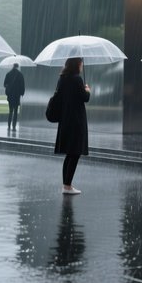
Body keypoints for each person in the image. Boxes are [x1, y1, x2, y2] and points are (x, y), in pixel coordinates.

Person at [54, 57, 90, 195]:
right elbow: (85, 98)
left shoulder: (62, 78)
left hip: (66, 119)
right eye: (81, 64)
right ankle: (67, 186)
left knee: (70, 154)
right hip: (76, 121)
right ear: (77, 64)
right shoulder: (77, 79)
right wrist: (87, 90)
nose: (82, 66)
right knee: (75, 153)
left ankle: (66, 185)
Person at [3, 62, 25, 132]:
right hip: (16, 95)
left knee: (10, 111)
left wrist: (9, 87)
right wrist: (22, 93)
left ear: (13, 66)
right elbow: (22, 85)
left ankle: (9, 125)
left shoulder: (8, 74)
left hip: (10, 95)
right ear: (17, 67)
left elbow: (4, 84)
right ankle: (14, 126)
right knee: (15, 111)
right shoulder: (20, 75)